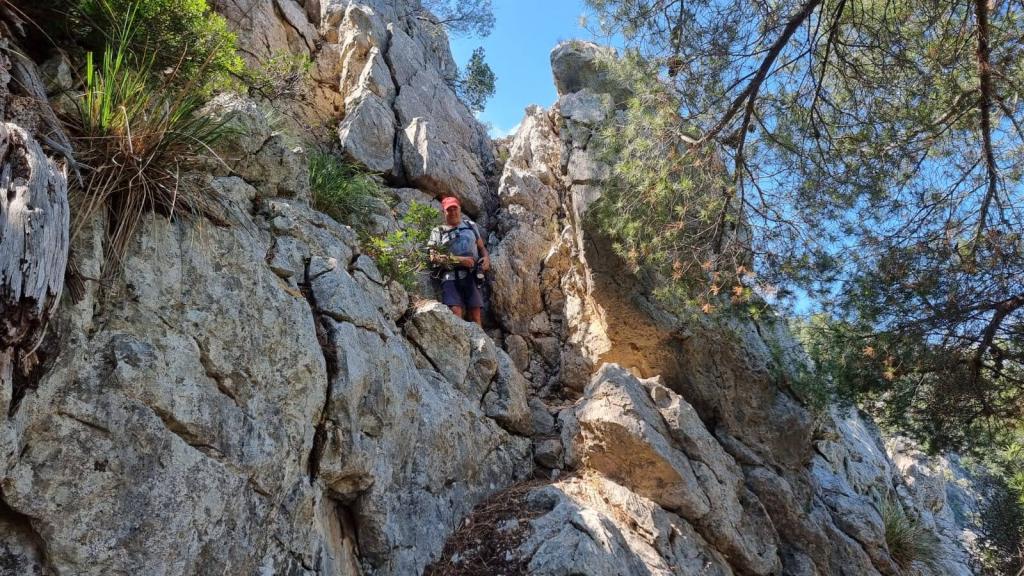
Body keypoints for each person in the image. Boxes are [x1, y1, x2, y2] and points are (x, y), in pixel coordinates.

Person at [428, 196, 490, 326]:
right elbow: (433, 257)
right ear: (443, 212)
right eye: (448, 210)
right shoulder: (437, 231)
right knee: (455, 312)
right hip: (450, 276)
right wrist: (459, 260)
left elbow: (481, 247)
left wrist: (486, 259)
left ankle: (480, 346)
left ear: (460, 209)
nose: (452, 212)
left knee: (475, 314)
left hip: (472, 275)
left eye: (454, 208)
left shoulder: (470, 226)